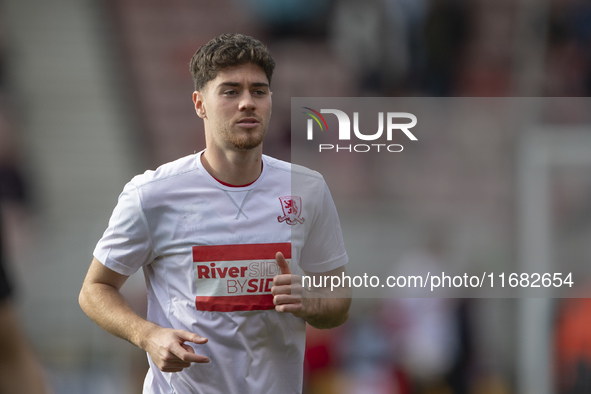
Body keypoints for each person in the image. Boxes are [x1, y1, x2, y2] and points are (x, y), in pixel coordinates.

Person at [78, 33, 351, 393]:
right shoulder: (152, 194)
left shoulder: (307, 189)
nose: (247, 103)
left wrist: (311, 302)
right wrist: (148, 335)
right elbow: (94, 289)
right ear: (199, 103)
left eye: (259, 90)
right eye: (230, 91)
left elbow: (339, 300)